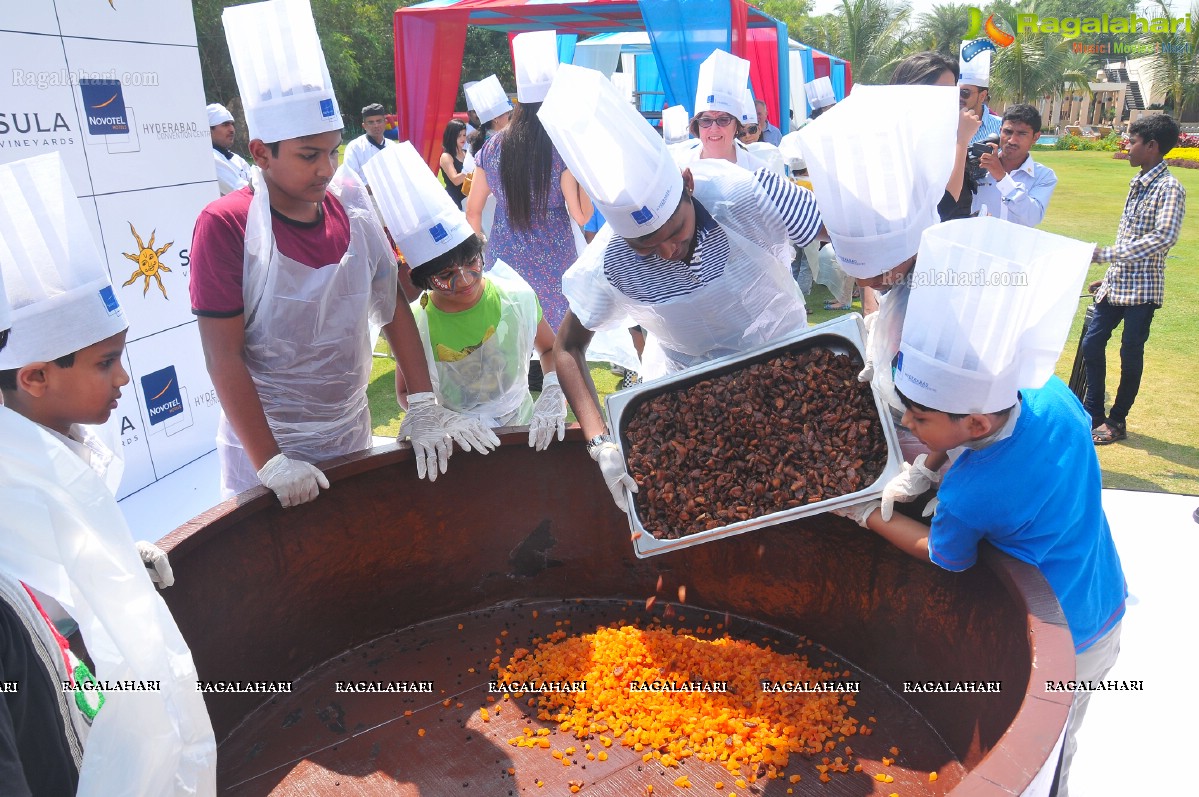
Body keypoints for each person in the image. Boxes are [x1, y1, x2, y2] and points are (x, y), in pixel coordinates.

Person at [841, 217, 1124, 797]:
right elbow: (976, 445)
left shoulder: (971, 497)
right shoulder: (1050, 396)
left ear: (971, 421)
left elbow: (944, 557)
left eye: (919, 421)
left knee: (1043, 756)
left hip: (1061, 634)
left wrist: (866, 514)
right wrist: (928, 466)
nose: (909, 426)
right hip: (1103, 591)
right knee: (1069, 738)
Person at [194, 0, 497, 505]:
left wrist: (423, 403)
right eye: (308, 156)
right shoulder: (226, 224)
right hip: (269, 446)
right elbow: (222, 354)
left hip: (349, 430)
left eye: (333, 150)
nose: (324, 168)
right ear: (261, 151)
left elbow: (392, 304)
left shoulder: (349, 201)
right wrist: (271, 460)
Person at [0, 152, 216, 795]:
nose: (125, 378)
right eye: (106, 362)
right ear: (35, 376)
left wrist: (103, 564)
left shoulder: (57, 448)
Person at [540, 64, 823, 510]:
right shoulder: (610, 260)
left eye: (676, 231)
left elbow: (829, 225)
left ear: (688, 186)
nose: (668, 251)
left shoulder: (744, 191)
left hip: (786, 363)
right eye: (647, 248)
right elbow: (566, 348)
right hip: (690, 388)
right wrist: (599, 442)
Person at [367, 142, 566, 448]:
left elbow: (550, 349)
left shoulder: (516, 298)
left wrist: (553, 387)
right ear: (423, 281)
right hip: (459, 441)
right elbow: (406, 393)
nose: (464, 281)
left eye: (472, 263)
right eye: (445, 276)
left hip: (521, 431)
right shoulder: (417, 325)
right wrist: (441, 417)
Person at [799, 82, 958, 462]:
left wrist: (929, 467)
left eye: (880, 274)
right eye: (862, 278)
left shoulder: (949, 287)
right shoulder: (897, 278)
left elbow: (968, 414)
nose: (869, 285)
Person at [466, 30, 591, 335]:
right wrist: (583, 171)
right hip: (555, 255)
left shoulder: (491, 149)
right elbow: (582, 215)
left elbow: (473, 212)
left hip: (505, 257)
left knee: (513, 336)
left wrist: (482, 247)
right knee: (559, 340)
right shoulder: (560, 147)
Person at [1083, 113, 1186, 445]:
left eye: (1133, 141)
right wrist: (1109, 276)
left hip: (1143, 291)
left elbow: (1163, 237)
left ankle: (1116, 421)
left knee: (1130, 354)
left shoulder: (1169, 187)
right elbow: (1132, 236)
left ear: (1152, 147)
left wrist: (1109, 255)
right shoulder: (1139, 182)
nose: (1127, 146)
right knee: (1092, 343)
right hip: (1117, 285)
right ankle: (1093, 413)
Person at [890, 50, 981, 223]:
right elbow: (944, 206)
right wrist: (962, 140)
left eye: (953, 93)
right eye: (941, 93)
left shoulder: (936, 134)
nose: (952, 101)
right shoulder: (901, 139)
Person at [671, 49, 761, 170]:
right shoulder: (679, 168)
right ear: (697, 126)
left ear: (737, 126)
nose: (714, 128)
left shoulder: (759, 171)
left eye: (723, 120)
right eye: (706, 120)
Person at [971, 104, 1058, 226]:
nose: (1012, 140)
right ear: (1000, 131)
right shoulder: (978, 165)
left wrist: (1001, 177)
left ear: (1035, 137)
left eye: (1022, 134)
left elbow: (1032, 217)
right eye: (1008, 132)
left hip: (1018, 245)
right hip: (978, 243)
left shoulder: (1043, 176)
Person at [957, 40, 1002, 145]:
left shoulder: (1001, 127)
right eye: (956, 92)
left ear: (982, 96)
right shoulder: (945, 124)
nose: (959, 97)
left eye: (965, 92)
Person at [342, 102, 391, 188]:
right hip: (365, 198)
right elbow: (349, 179)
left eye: (379, 121)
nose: (376, 125)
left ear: (385, 123)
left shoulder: (392, 146)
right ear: (364, 126)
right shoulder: (355, 147)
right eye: (371, 122)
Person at [208, 102, 251, 195]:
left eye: (232, 124)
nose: (232, 129)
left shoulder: (237, 159)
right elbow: (240, 191)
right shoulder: (210, 158)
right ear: (209, 130)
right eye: (225, 124)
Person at [465, 75, 512, 156]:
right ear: (495, 118)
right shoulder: (493, 142)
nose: (510, 116)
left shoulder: (504, 137)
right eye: (507, 113)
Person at [439, 118, 469, 210]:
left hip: (468, 201)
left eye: (464, 135)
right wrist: (470, 169)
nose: (463, 138)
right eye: (459, 135)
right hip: (454, 203)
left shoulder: (467, 153)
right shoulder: (446, 156)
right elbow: (455, 180)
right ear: (452, 136)